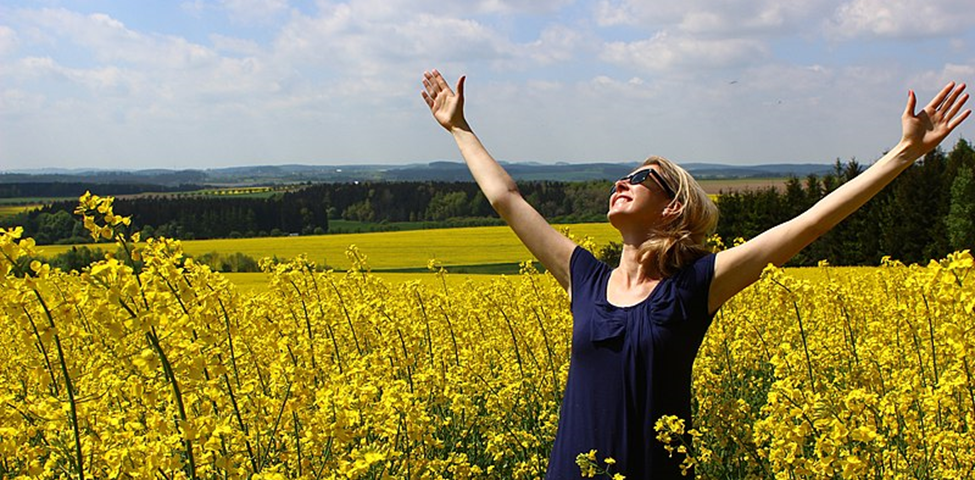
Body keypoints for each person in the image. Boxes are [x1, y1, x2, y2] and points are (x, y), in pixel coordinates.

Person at [420, 69, 970, 479]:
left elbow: (804, 226)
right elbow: (506, 197)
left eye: (641, 177)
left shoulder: (693, 287)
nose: (622, 181)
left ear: (673, 209)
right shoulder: (583, 278)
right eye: (623, 175)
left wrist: (903, 154)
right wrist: (459, 127)